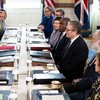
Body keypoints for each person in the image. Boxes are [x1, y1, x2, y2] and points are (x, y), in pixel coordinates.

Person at [65, 30, 100, 100]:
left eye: (93, 39)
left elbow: (94, 79)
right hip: (83, 85)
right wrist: (80, 80)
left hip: (87, 92)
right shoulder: (97, 54)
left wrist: (78, 83)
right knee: (59, 90)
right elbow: (89, 74)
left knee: (62, 95)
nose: (91, 41)